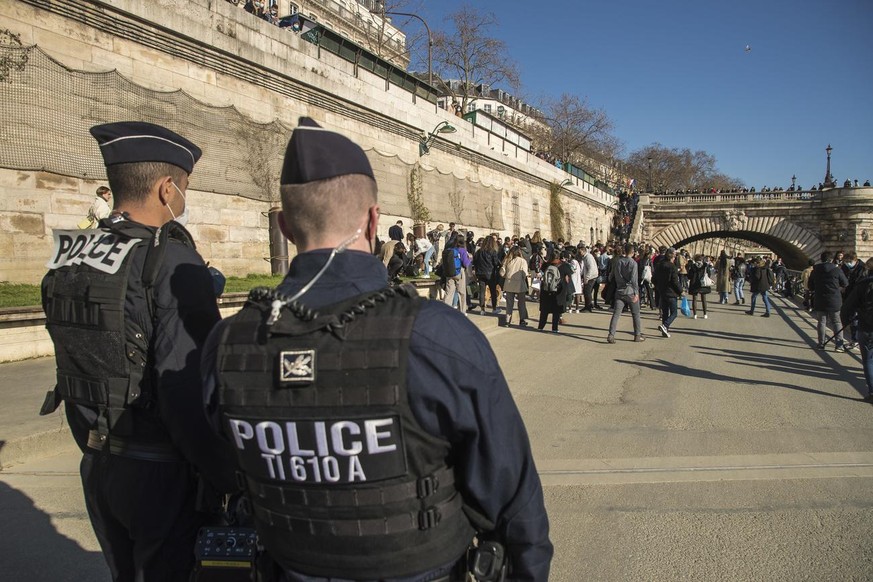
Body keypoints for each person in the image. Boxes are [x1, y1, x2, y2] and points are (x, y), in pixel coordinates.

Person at [200, 118, 552, 581]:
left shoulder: (227, 345)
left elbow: (224, 471)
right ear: (373, 220)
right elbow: (510, 495)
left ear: (285, 227)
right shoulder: (437, 336)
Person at [40, 122, 236, 581]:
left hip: (97, 460)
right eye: (185, 187)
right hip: (160, 472)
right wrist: (228, 476)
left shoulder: (72, 254)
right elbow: (185, 390)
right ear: (167, 189)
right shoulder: (170, 261)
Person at [842, 257, 873, 402]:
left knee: (868, 360)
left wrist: (846, 322)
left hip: (866, 327)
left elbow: (848, 307)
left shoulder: (862, 284)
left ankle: (872, 392)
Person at [809, 251, 849, 351]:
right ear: (831, 259)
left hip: (820, 299)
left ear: (821, 259)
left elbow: (810, 286)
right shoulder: (837, 270)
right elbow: (845, 283)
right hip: (834, 300)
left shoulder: (815, 270)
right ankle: (839, 345)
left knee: (821, 322)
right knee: (836, 322)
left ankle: (821, 344)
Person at [607, 243, 645, 343]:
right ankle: (637, 335)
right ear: (632, 252)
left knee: (616, 314)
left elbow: (616, 275)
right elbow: (634, 279)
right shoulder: (633, 263)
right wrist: (636, 293)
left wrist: (620, 284)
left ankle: (611, 334)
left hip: (620, 291)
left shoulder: (619, 262)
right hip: (630, 291)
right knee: (635, 314)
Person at [653, 247, 682, 338]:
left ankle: (664, 331)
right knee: (674, 313)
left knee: (665, 312)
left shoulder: (659, 265)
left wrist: (658, 286)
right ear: (673, 256)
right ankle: (665, 326)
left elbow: (654, 278)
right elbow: (674, 282)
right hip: (671, 292)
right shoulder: (672, 267)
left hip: (662, 291)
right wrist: (681, 291)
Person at [500, 246, 530, 327]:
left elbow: (502, 273)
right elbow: (524, 274)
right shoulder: (522, 261)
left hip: (509, 284)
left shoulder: (507, 260)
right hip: (520, 284)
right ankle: (522, 320)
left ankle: (507, 320)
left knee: (509, 304)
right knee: (521, 303)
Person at [472, 234, 500, 314]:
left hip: (480, 273)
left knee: (482, 291)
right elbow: (495, 263)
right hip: (490, 274)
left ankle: (482, 309)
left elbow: (475, 262)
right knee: (493, 291)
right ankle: (494, 308)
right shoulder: (493, 252)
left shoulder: (479, 252)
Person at [687, 254, 712, 319]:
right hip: (703, 284)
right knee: (704, 299)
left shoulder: (692, 266)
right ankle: (705, 314)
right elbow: (709, 274)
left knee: (694, 299)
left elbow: (689, 276)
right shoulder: (705, 266)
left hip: (694, 284)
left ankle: (695, 314)